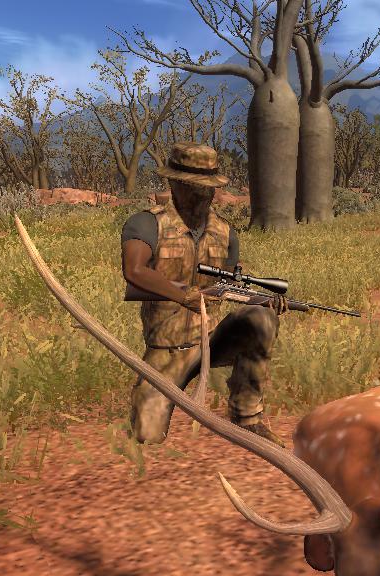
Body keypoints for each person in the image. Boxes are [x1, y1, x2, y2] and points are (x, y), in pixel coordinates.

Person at [120, 141, 288, 447]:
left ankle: (246, 416)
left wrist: (261, 302)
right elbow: (135, 271)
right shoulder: (147, 223)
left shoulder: (225, 232)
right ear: (174, 184)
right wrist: (183, 296)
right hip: (167, 349)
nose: (202, 195)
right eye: (193, 187)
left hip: (212, 339)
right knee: (145, 436)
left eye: (207, 188)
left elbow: (230, 286)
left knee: (262, 319)